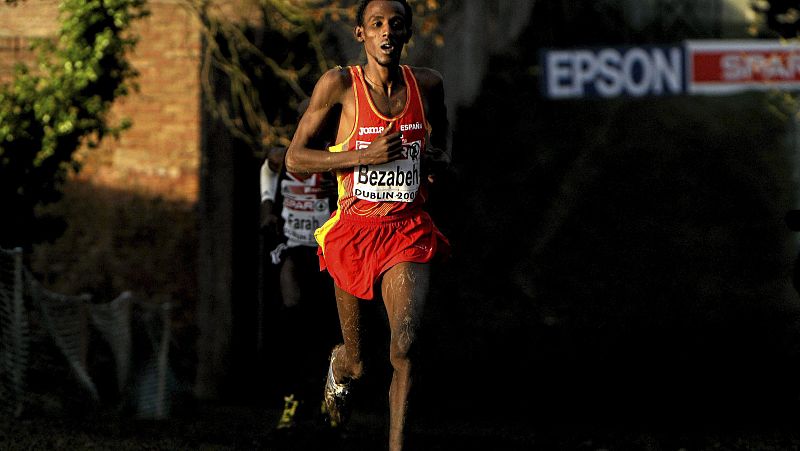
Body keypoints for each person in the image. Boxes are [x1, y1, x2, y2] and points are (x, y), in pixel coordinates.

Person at [285, 1, 450, 449]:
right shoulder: (339, 85)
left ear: (407, 33)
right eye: (376, 24)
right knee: (360, 364)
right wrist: (364, 155)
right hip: (353, 233)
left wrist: (438, 159)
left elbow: (442, 133)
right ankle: (339, 368)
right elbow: (295, 158)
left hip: (406, 228)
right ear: (361, 33)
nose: (386, 32)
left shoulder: (427, 84)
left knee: (405, 346)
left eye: (396, 25)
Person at [259, 144, 338, 430]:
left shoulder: (336, 154)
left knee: (328, 324)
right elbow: (269, 168)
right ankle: (292, 399)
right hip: (292, 246)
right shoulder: (285, 156)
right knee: (292, 320)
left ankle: (329, 402)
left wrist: (339, 188)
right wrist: (267, 207)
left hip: (327, 250)